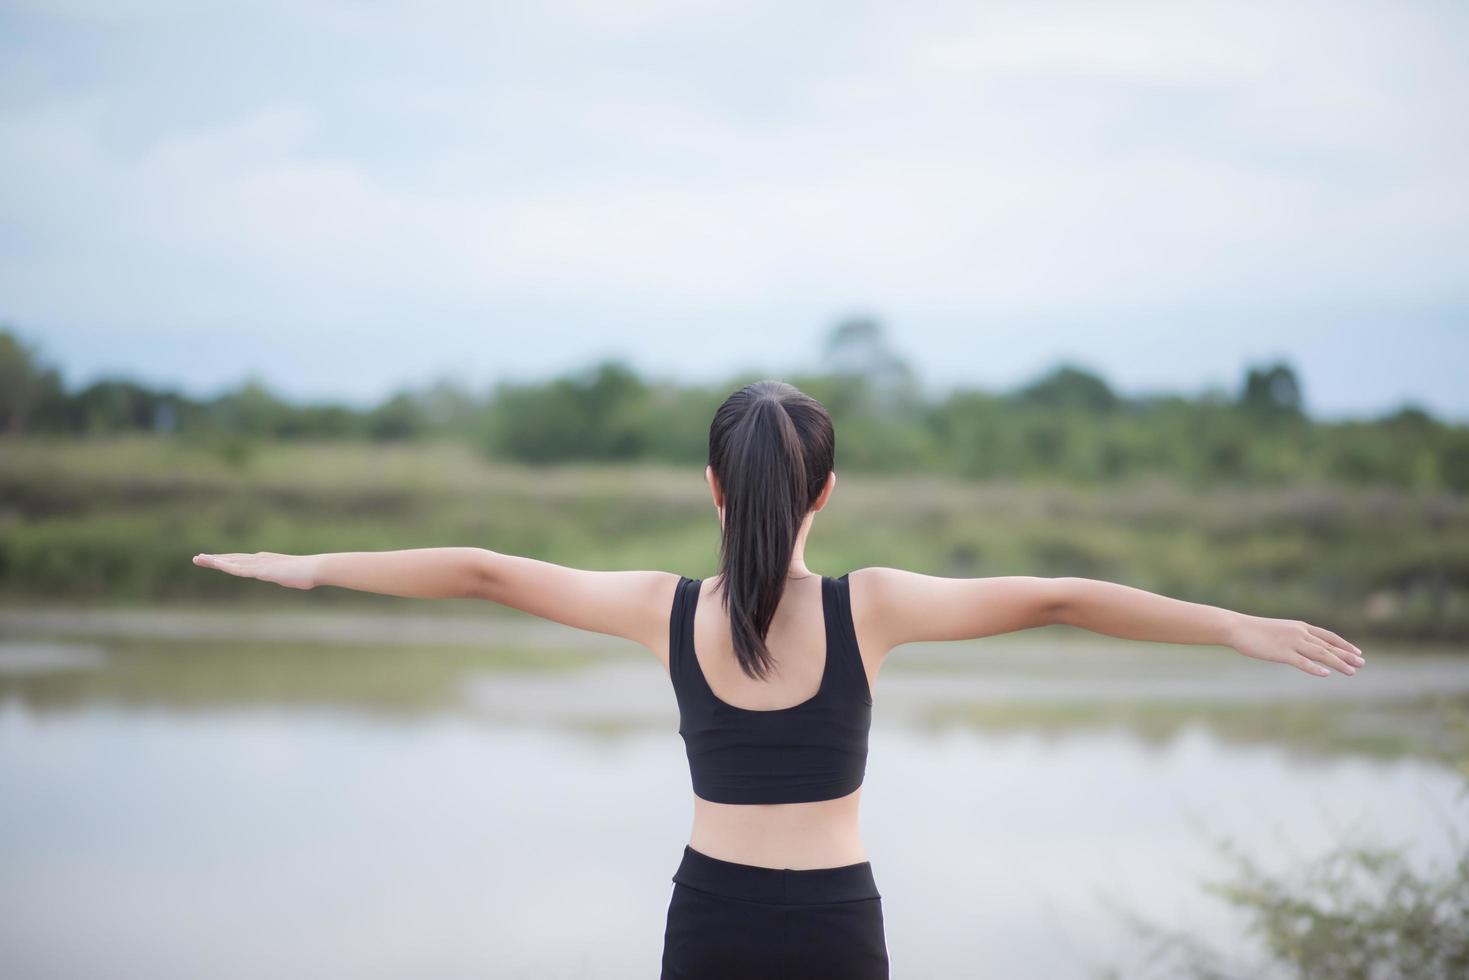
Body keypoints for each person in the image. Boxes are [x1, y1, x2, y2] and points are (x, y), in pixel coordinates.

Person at [191, 378, 1365, 978]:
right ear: (824, 493)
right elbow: (1057, 594)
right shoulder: (877, 606)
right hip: (833, 924)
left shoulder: (665, 608)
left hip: (710, 918)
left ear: (712, 486)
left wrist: (307, 565)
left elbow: (486, 572)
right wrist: (1232, 624)